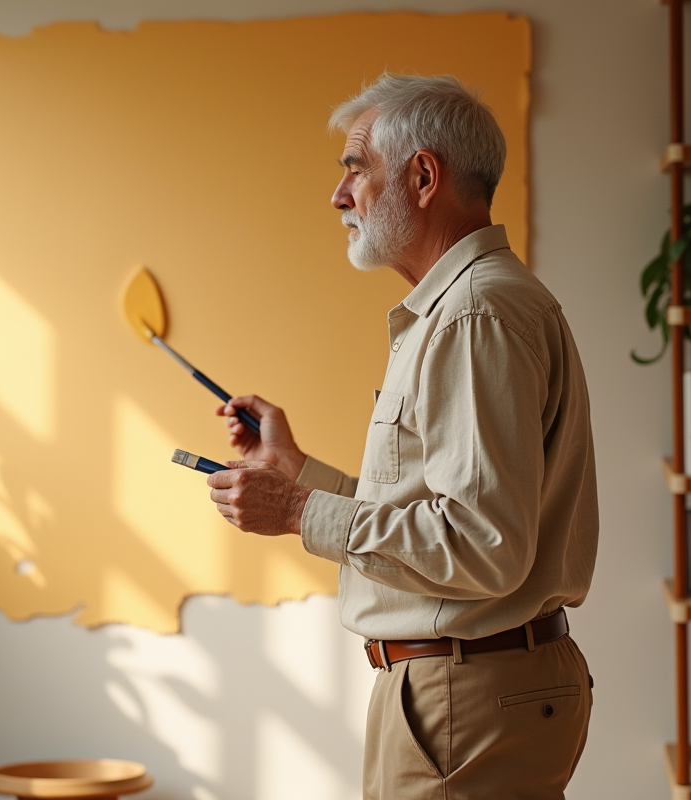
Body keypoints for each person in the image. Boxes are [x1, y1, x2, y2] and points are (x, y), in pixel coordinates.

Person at [204, 73, 599, 800]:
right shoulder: (466, 309)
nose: (339, 195)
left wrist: (294, 514)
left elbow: (481, 546)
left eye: (355, 168)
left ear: (423, 176)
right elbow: (438, 515)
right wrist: (296, 472)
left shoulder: (473, 317)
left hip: (464, 693)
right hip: (466, 687)